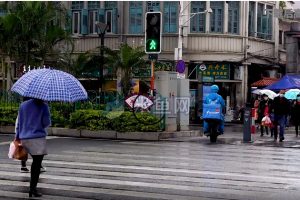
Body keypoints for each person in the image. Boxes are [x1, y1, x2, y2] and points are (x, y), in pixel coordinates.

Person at [15, 98, 51, 197]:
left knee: (33, 162)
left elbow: (19, 123)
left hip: (24, 137)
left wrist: (17, 137)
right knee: (36, 164)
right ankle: (32, 189)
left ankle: (32, 189)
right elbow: (46, 123)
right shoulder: (44, 106)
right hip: (37, 139)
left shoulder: (23, 105)